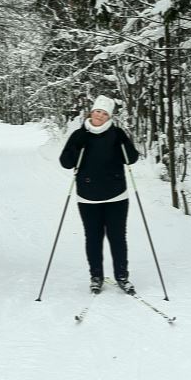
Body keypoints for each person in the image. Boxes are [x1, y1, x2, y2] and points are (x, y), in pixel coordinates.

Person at [59, 94, 139, 295]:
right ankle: (96, 277)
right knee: (93, 238)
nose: (100, 116)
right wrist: (78, 145)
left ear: (109, 116)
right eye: (97, 112)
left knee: (117, 237)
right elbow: (66, 162)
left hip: (116, 196)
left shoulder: (116, 134)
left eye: (104, 113)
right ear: (91, 112)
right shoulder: (79, 135)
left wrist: (124, 141)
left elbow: (131, 159)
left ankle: (122, 276)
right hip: (87, 197)